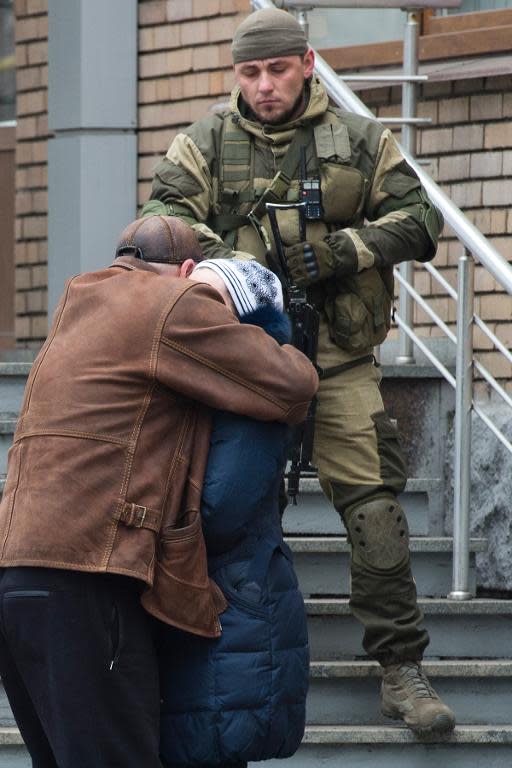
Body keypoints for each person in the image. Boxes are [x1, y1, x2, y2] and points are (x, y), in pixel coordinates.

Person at [141, 8, 455, 734]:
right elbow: (162, 214)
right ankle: (219, 667)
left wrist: (344, 252)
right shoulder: (206, 142)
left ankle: (401, 670)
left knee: (374, 509)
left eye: (276, 69)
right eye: (249, 72)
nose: (264, 86)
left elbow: (420, 218)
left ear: (307, 64)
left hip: (340, 359)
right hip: (246, 365)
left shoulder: (359, 139)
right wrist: (236, 261)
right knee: (232, 511)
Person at [0, 215, 318, 768]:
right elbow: (294, 385)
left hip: (17, 574)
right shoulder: (171, 301)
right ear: (188, 272)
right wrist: (264, 326)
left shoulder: (77, 303)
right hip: (91, 579)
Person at [157, 259, 309, 768]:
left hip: (233, 601)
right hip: (227, 595)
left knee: (213, 747)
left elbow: (221, 508)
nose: (186, 312)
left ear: (238, 318)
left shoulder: (252, 395)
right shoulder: (217, 384)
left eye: (205, 301)